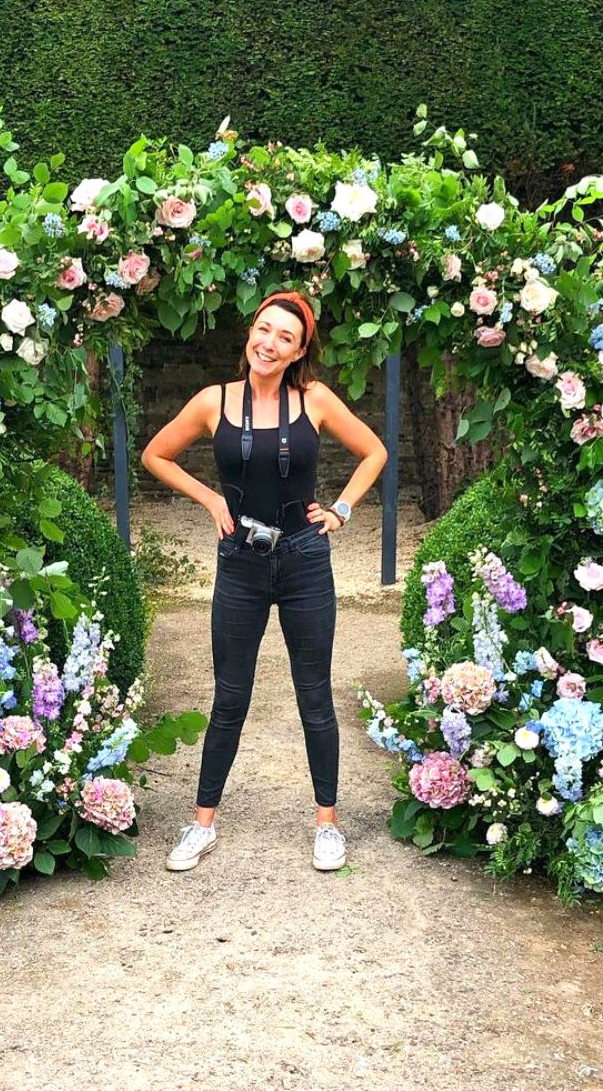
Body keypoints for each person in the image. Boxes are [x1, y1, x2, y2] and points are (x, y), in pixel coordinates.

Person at [141, 290, 388, 872]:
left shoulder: (316, 400)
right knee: (229, 696)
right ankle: (202, 824)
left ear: (300, 351)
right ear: (249, 332)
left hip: (304, 559)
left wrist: (342, 510)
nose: (269, 344)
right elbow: (157, 454)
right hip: (240, 564)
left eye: (285, 337)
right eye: (263, 329)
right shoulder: (212, 401)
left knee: (315, 695)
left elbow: (373, 452)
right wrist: (208, 498)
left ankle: (327, 824)